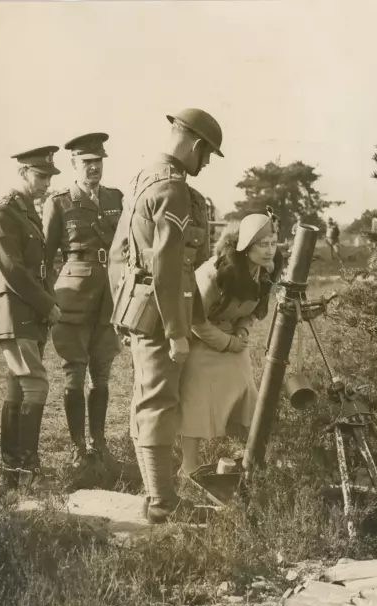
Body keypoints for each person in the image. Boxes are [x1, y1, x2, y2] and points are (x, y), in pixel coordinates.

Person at [108, 108, 221, 524]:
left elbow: (119, 254)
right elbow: (167, 267)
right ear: (194, 145)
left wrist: (121, 314)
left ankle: (156, 493)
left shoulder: (143, 178)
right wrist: (176, 331)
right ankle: (163, 504)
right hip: (161, 313)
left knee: (148, 397)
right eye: (207, 154)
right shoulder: (172, 189)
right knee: (159, 401)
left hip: (140, 308)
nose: (205, 163)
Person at [0, 146, 62, 489]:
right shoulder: (3, 211)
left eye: (48, 176)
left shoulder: (28, 212)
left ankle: (13, 474)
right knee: (35, 384)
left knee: (18, 385)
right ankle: (27, 470)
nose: (45, 182)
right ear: (22, 174)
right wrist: (47, 305)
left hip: (27, 312)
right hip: (14, 309)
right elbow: (12, 269)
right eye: (40, 175)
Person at [178, 212, 282, 475]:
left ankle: (253, 461)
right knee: (197, 403)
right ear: (245, 246)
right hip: (201, 340)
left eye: (273, 243)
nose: (269, 251)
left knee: (248, 396)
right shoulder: (214, 273)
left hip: (234, 340)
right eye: (262, 244)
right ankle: (188, 467)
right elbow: (193, 319)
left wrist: (243, 331)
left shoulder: (265, 272)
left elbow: (251, 309)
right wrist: (226, 343)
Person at [42, 133, 123, 469]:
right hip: (72, 296)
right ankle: (78, 448)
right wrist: (46, 299)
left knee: (101, 373)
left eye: (98, 161)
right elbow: (45, 257)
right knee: (74, 372)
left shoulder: (117, 198)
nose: (94, 167)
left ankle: (99, 442)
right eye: (87, 162)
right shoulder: (59, 201)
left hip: (111, 295)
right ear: (74, 164)